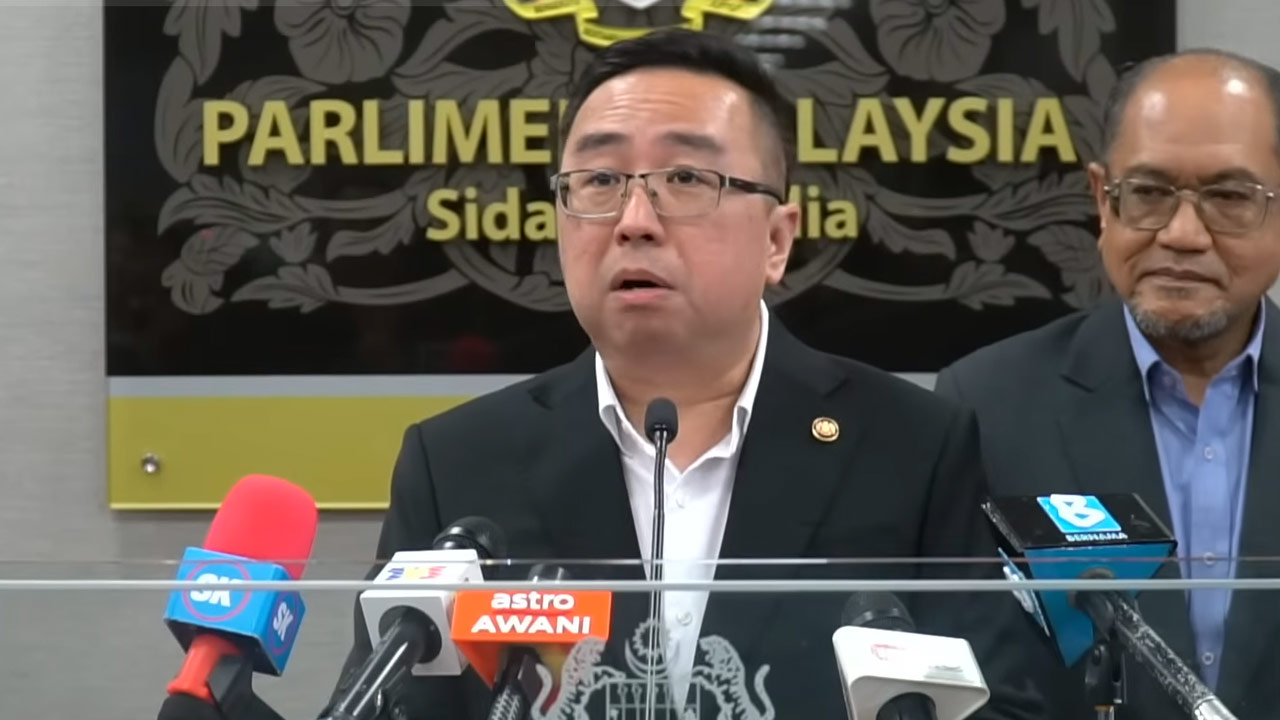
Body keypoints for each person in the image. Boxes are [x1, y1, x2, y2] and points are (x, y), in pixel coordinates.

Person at [326, 29, 1053, 720]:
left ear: (777, 240)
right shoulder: (457, 463)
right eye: (600, 180)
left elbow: (1002, 704)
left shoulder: (911, 447)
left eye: (684, 177)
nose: (634, 220)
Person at [935, 49, 1280, 720]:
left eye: (1230, 198)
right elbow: (971, 670)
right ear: (1102, 199)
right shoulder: (986, 406)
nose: (1182, 235)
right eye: (1148, 193)